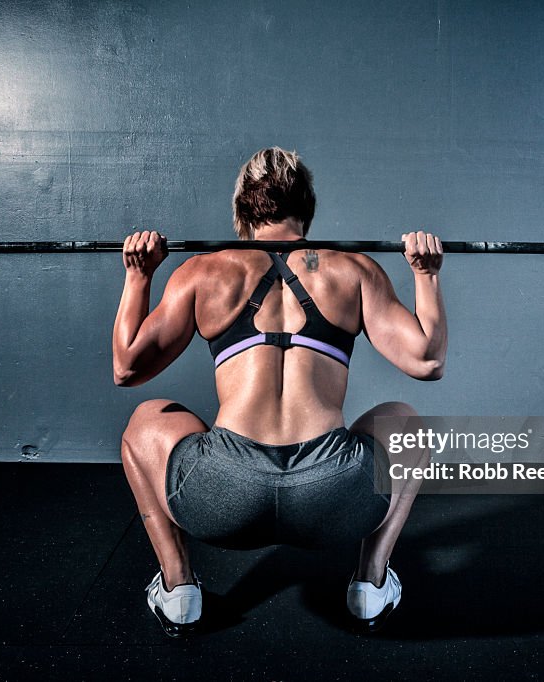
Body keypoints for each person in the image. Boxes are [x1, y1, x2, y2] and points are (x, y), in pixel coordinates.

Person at [113, 147, 446, 636]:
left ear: (242, 213)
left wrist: (138, 276)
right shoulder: (353, 271)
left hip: (222, 498)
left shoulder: (203, 273)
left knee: (144, 422)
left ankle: (179, 589)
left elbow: (127, 368)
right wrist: (427, 275)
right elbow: (427, 360)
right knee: (409, 425)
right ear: (306, 208)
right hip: (333, 500)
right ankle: (370, 587)